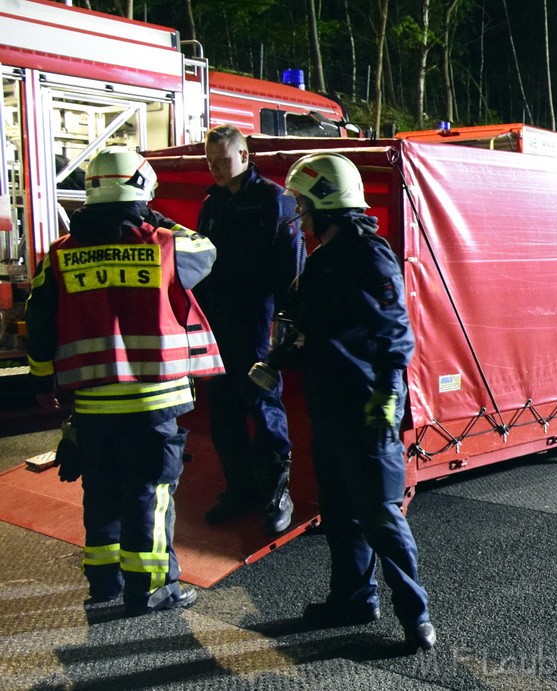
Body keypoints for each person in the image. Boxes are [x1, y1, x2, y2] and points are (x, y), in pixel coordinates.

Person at [25, 146, 224, 615]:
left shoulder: (59, 254)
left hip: (91, 403)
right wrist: (150, 217)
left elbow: (39, 323)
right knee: (150, 493)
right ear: (141, 189)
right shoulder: (166, 244)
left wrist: (43, 384)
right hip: (154, 398)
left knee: (101, 489)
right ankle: (153, 587)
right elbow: (208, 250)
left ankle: (104, 581)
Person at [256, 152, 435, 651]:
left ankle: (415, 616)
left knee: (378, 510)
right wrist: (282, 355)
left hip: (366, 404)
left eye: (302, 203)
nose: (298, 214)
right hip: (331, 401)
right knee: (339, 509)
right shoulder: (322, 260)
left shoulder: (366, 255)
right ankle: (353, 599)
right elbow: (313, 327)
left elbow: (396, 332)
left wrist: (385, 396)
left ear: (325, 203)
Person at [195, 124, 304, 536]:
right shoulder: (213, 203)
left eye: (223, 160)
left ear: (244, 156)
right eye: (211, 162)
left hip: (259, 319)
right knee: (223, 410)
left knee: (263, 402)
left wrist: (287, 323)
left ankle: (278, 493)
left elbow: (293, 268)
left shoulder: (275, 200)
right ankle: (239, 488)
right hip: (219, 321)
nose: (217, 169)